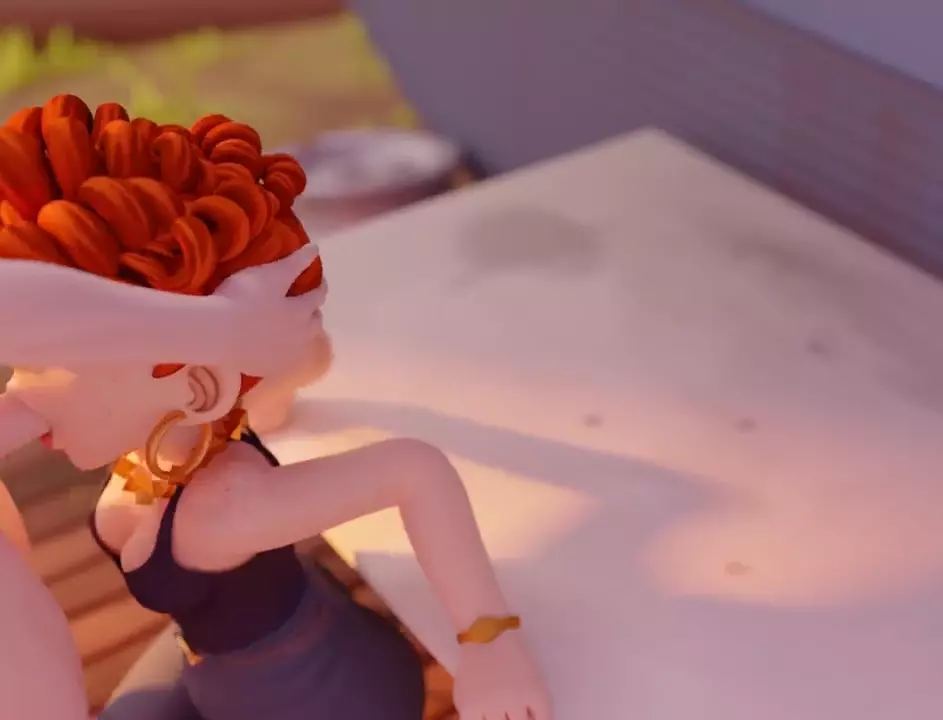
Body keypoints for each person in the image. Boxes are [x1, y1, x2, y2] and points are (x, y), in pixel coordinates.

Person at [0, 95, 550, 720]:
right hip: (211, 667)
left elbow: (415, 470)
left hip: (320, 699)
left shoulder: (229, 508)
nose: (18, 392)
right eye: (21, 364)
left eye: (48, 367)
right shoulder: (174, 426)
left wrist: (490, 647)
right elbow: (280, 361)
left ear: (197, 388)